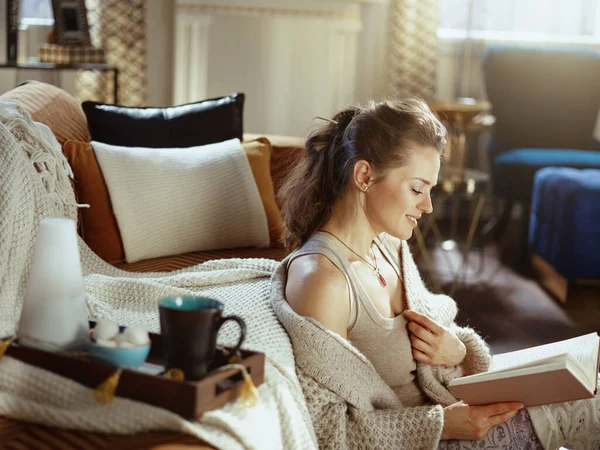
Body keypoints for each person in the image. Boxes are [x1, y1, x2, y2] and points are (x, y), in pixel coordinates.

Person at [274, 98, 600, 449]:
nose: (428, 206)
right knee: (584, 403)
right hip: (428, 436)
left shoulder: (387, 244)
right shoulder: (323, 282)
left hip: (453, 408)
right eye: (417, 188)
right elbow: (324, 429)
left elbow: (438, 336)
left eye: (430, 190)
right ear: (365, 175)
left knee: (588, 385)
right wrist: (441, 425)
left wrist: (459, 352)